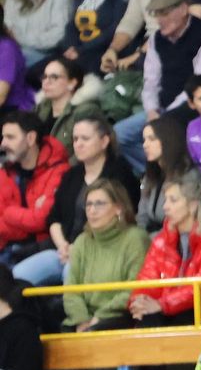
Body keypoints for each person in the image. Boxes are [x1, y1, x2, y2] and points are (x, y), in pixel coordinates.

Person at [13, 114, 138, 286]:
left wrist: (78, 249)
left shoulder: (120, 174)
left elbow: (124, 219)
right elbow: (54, 218)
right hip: (62, 250)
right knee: (17, 276)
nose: (78, 144)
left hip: (99, 251)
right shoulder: (72, 174)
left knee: (70, 275)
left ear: (104, 141)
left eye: (85, 139)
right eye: (75, 139)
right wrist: (63, 245)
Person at [117, 0, 201, 175]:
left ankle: (170, 172)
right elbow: (150, 82)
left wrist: (166, 115)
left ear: (183, 9)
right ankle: (161, 172)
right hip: (159, 110)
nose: (159, 20)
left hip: (188, 108)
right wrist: (152, 110)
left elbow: (200, 82)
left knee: (162, 139)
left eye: (164, 13)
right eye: (156, 14)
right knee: (118, 135)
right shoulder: (156, 39)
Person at [129, 175, 201, 350]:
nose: (165, 206)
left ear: (192, 206)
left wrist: (162, 304)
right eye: (165, 200)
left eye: (173, 200)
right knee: (144, 318)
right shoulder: (162, 240)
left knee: (155, 317)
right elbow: (147, 277)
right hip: (167, 308)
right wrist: (139, 300)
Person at [58, 179, 148, 334]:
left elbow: (135, 288)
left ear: (118, 208)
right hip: (85, 319)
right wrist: (82, 320)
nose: (92, 210)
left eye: (99, 204)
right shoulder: (82, 241)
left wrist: (100, 317)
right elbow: (71, 290)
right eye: (88, 204)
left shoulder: (136, 239)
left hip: (120, 315)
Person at [0, 111, 68, 263]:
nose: (3, 143)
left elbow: (41, 220)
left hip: (40, 251)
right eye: (3, 137)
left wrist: (8, 212)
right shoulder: (4, 171)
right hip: (6, 249)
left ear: (30, 138)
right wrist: (28, 217)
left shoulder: (58, 170)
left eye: (10, 137)